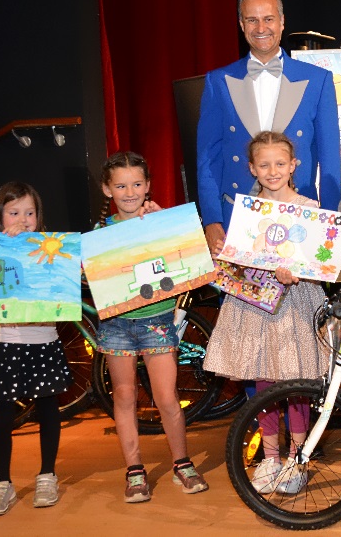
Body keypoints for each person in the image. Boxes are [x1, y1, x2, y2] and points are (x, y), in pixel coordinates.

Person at [203, 131, 328, 496]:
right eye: (264, 164)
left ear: (293, 166)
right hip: (255, 305)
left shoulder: (309, 207)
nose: (272, 171)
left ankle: (298, 459)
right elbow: (239, 262)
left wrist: (298, 273)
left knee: (297, 381)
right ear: (252, 168)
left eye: (280, 163)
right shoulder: (247, 212)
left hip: (297, 303)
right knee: (263, 381)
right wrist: (225, 259)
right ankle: (270, 457)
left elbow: (321, 263)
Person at [95, 151, 208, 502]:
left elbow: (188, 254)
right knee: (124, 395)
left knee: (167, 397)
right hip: (116, 324)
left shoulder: (159, 221)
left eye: (137, 184)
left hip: (157, 319)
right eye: (121, 186)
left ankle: (182, 463)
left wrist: (167, 225)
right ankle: (134, 470)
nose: (129, 192)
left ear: (147, 186)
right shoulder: (99, 234)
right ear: (107, 189)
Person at [197, 0, 341, 256]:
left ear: (282, 22)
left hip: (301, 216)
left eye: (268, 19)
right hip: (235, 217)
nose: (261, 28)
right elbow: (208, 158)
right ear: (242, 25)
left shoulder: (318, 80)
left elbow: (330, 159)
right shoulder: (218, 81)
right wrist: (212, 219)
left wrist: (330, 220)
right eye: (252, 20)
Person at [0, 182, 73, 516]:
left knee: (48, 408)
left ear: (39, 217)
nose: (23, 220)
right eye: (14, 212)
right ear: (0, 216)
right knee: (1, 414)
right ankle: (2, 482)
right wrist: (3, 248)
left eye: (30, 213)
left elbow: (61, 286)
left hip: (40, 339)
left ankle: (47, 475)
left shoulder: (50, 250)